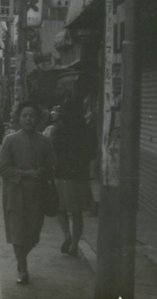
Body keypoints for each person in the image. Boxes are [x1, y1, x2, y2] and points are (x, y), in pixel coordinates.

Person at [0, 101, 57, 285]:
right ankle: (23, 269)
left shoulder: (45, 141)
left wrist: (43, 171)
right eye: (24, 115)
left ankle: (21, 260)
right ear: (19, 118)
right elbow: (2, 168)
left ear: (38, 119)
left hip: (36, 195)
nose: (28, 119)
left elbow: (52, 165)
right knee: (17, 232)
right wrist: (25, 174)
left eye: (32, 115)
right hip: (15, 194)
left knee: (33, 234)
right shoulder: (10, 140)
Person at [50, 99, 96, 258]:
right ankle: (75, 244)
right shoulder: (88, 129)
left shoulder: (61, 129)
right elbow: (93, 152)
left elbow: (54, 148)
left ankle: (67, 236)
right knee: (77, 213)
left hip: (63, 174)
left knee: (60, 209)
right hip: (81, 176)